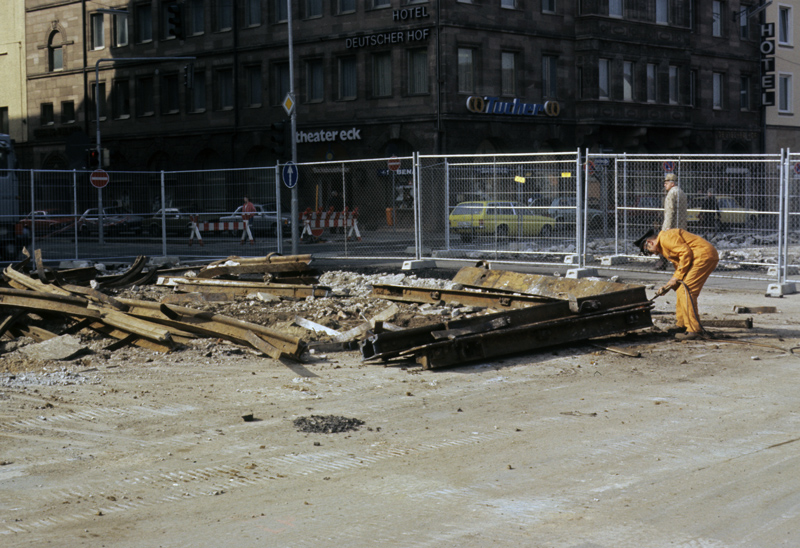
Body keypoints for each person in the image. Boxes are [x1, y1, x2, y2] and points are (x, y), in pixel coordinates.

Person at [634, 227, 719, 340]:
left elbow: (685, 253)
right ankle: (682, 324)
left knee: (687, 291)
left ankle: (694, 330)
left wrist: (676, 278)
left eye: (649, 251)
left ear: (650, 242)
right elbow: (680, 265)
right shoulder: (664, 245)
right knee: (680, 289)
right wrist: (670, 285)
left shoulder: (665, 238)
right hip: (698, 257)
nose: (653, 254)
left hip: (702, 256)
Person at [654, 172, 688, 270]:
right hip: (681, 224)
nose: (664, 184)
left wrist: (667, 226)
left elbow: (670, 210)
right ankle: (682, 264)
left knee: (663, 242)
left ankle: (662, 263)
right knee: (679, 244)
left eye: (666, 182)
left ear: (672, 183)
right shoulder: (681, 192)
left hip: (671, 224)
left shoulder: (671, 193)